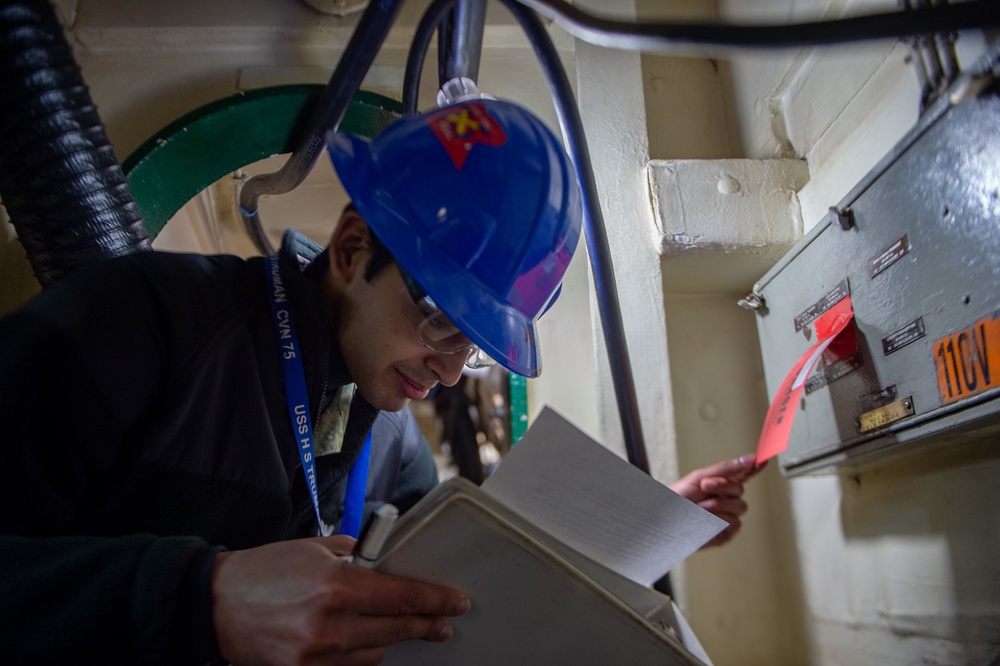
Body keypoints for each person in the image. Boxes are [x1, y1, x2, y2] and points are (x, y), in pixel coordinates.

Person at [0, 92, 762, 665]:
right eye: (439, 322)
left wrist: (630, 536)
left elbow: (465, 579)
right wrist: (201, 598)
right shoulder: (142, 323)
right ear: (351, 247)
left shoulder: (394, 441)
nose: (450, 368)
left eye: (475, 348)